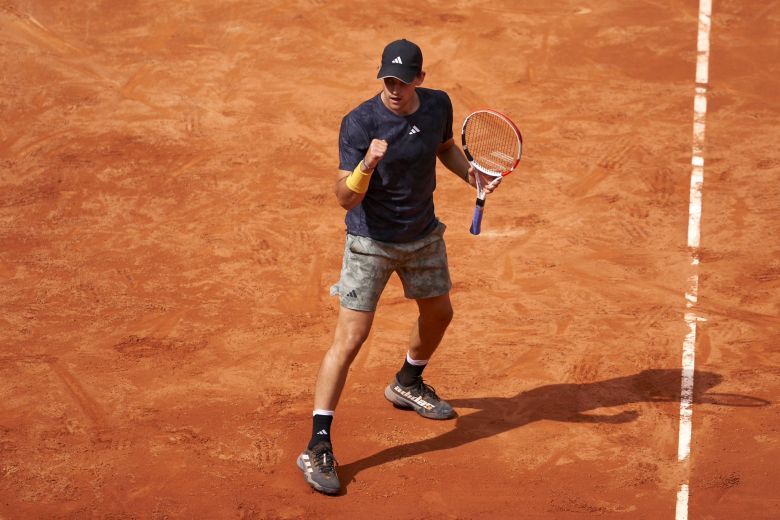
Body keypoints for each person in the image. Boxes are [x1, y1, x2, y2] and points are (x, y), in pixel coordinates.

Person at [296, 39, 501, 495]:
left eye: (403, 82)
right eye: (388, 80)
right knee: (350, 340)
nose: (394, 89)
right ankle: (318, 444)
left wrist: (470, 173)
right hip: (370, 243)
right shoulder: (360, 122)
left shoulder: (437, 105)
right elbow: (345, 198)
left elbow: (443, 147)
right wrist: (366, 164)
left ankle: (407, 381)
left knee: (440, 313)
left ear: (419, 80)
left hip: (422, 235)